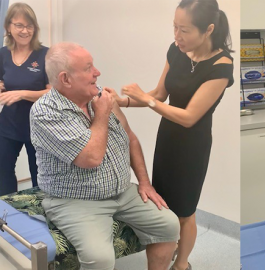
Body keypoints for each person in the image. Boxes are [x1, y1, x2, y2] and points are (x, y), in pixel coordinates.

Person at [106, 0, 234, 269]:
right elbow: (159, 95)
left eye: (184, 30)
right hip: (168, 140)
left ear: (208, 29)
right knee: (163, 202)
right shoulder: (176, 51)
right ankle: (166, 248)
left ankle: (181, 264)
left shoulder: (221, 66)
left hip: (193, 146)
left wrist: (146, 100)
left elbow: (189, 117)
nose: (177, 36)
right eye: (174, 27)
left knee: (185, 212)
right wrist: (123, 101)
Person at [30, 42, 180, 270]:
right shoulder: (45, 112)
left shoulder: (101, 98)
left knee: (169, 225)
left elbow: (130, 138)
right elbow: (91, 158)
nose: (97, 72)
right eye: (88, 68)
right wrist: (101, 114)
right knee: (100, 259)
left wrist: (144, 182)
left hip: (122, 191)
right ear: (65, 79)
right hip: (75, 200)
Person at [0, 2, 50, 196]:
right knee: (3, 172)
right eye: (19, 25)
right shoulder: (3, 54)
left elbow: (53, 92)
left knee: (39, 175)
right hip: (8, 124)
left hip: (38, 125)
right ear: (9, 27)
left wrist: (22, 94)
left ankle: (41, 215)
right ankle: (7, 217)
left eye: (29, 26)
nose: (25, 30)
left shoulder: (45, 54)